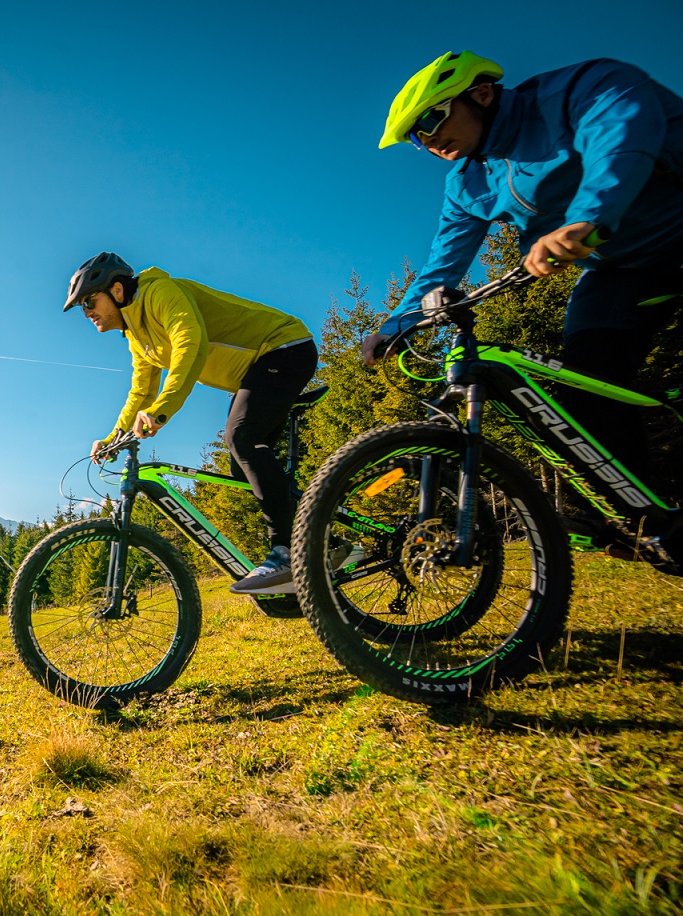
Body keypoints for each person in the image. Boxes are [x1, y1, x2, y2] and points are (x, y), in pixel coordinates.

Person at [363, 52, 683, 529]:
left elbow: (619, 140)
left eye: (430, 120)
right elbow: (443, 264)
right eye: (415, 137)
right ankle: (642, 522)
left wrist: (586, 218)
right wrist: (398, 325)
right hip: (621, 270)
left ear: (481, 93)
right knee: (589, 376)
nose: (427, 140)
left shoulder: (580, 89)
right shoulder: (468, 185)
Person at [65, 252, 318, 594]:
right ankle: (323, 535)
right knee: (243, 467)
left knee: (242, 437)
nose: (87, 313)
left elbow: (190, 345)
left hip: (283, 347)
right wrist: (113, 438)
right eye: (82, 307)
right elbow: (141, 391)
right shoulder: (138, 336)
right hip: (255, 372)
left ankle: (286, 553)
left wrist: (161, 411)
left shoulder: (161, 293)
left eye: (89, 302)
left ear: (118, 291)